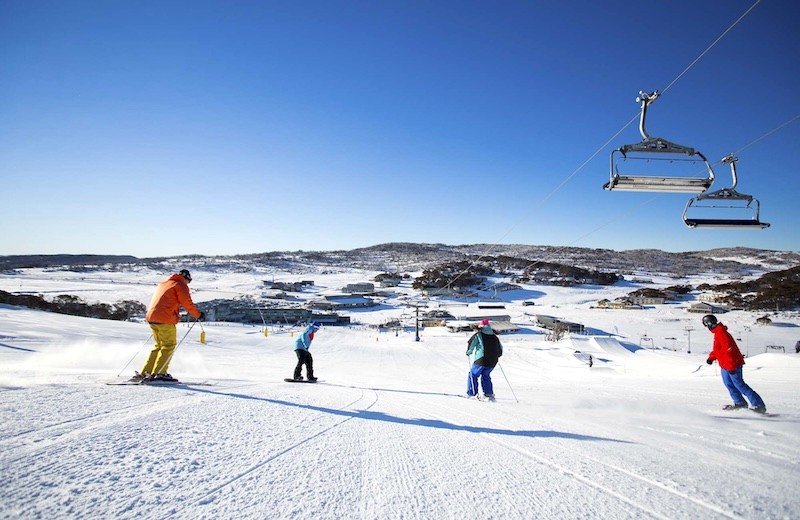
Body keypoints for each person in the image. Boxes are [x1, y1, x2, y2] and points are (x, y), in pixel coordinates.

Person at [132, 269, 204, 382]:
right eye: (188, 281)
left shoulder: (163, 284)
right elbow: (187, 303)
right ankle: (160, 373)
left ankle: (146, 372)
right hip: (165, 318)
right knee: (168, 345)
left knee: (159, 346)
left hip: (152, 317)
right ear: (186, 278)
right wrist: (198, 314)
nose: (188, 284)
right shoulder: (180, 285)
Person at [703, 314, 766, 414]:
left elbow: (729, 351)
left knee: (740, 385)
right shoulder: (717, 333)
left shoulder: (721, 333)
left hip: (732, 364)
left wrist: (731, 366)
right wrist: (711, 358)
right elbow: (718, 349)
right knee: (729, 384)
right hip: (725, 365)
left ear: (709, 324)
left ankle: (759, 405)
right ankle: (740, 402)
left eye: (706, 325)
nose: (707, 328)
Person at [465, 319, 503, 400]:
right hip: (493, 361)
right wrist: (497, 355)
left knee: (473, 375)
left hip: (481, 359)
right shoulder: (494, 336)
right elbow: (500, 349)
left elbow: (471, 344)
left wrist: (469, 352)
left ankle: (472, 394)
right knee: (486, 375)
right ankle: (489, 394)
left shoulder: (479, 335)